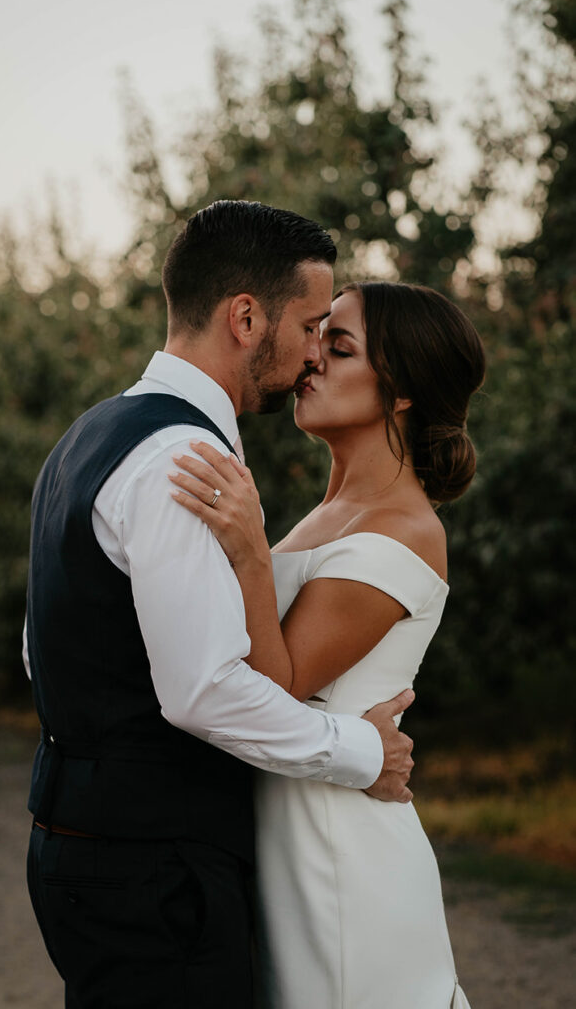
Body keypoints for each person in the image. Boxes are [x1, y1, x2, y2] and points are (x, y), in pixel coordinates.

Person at [23, 202, 416, 1009]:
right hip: (152, 865)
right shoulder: (184, 458)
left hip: (87, 847)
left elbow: (41, 644)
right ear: (245, 317)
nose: (313, 353)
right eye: (311, 325)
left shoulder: (94, 433)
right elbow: (202, 689)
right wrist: (362, 752)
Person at [170, 280, 485, 1008]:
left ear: (401, 390)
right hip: (279, 827)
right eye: (316, 339)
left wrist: (249, 550)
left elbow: (274, 683)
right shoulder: (327, 514)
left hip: (337, 854)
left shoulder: (404, 530)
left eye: (337, 347)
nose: (309, 361)